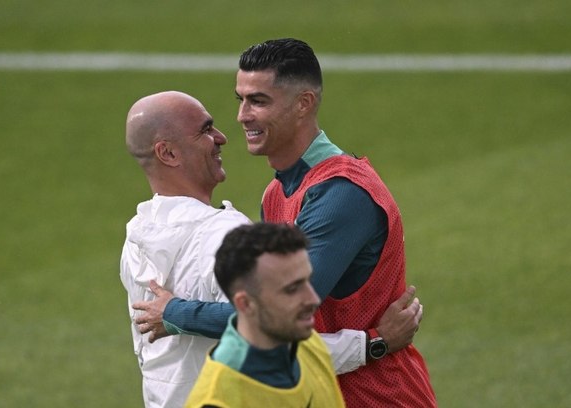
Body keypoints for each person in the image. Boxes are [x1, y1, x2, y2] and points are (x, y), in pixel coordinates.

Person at [134, 38, 436, 407]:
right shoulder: (275, 195)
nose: (243, 115)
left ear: (303, 104)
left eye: (258, 101)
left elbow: (273, 312)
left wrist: (175, 313)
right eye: (240, 100)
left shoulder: (342, 195)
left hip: (378, 397)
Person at [120, 91, 252, 408]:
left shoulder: (135, 237)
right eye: (205, 130)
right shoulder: (226, 235)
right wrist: (371, 344)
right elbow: (268, 326)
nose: (221, 138)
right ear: (168, 153)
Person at [185, 223, 345, 408]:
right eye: (292, 289)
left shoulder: (308, 343)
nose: (313, 299)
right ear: (245, 304)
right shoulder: (217, 401)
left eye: (307, 281)